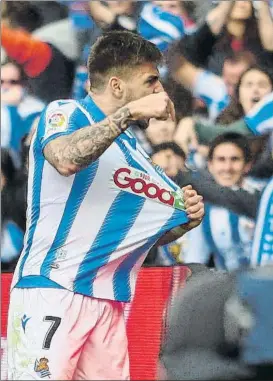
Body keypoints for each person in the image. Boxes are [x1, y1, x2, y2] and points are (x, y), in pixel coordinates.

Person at [7, 31, 204, 380]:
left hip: (107, 302)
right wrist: (128, 112)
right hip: (52, 288)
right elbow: (65, 158)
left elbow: (136, 235)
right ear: (117, 86)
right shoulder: (66, 112)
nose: (159, 91)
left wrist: (182, 222)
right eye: (150, 81)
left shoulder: (135, 156)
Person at [184, 133, 255, 271]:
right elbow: (195, 261)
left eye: (235, 159)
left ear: (248, 165)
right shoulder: (201, 207)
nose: (227, 167)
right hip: (230, 289)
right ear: (210, 165)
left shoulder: (264, 196)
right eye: (221, 160)